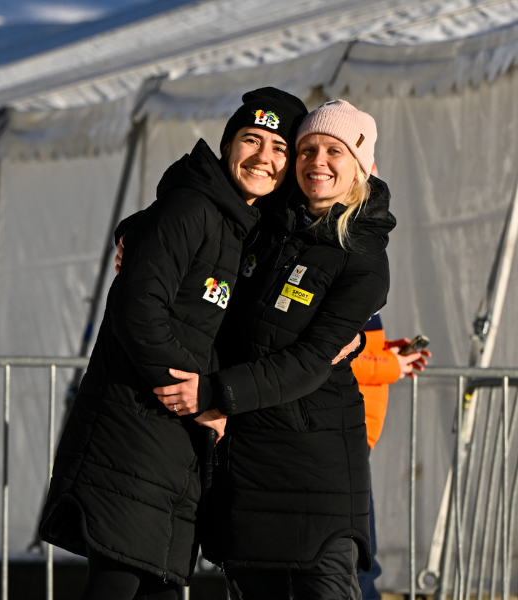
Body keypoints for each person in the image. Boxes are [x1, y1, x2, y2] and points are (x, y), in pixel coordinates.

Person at [38, 88, 307, 600]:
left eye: (279, 150)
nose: (264, 158)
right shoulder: (193, 211)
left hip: (170, 446)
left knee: (153, 583)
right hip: (133, 429)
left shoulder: (239, 226)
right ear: (228, 145)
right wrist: (198, 394)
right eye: (252, 140)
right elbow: (137, 309)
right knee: (119, 580)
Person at [153, 99, 396, 599]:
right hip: (247, 468)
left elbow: (309, 362)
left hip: (314, 471)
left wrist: (215, 392)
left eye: (334, 150)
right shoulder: (267, 226)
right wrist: (137, 231)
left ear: (361, 166)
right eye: (307, 149)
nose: (317, 162)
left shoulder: (362, 257)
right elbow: (200, 207)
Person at [351, 313, 429, 599]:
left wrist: (386, 352)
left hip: (354, 440)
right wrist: (388, 364)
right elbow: (326, 357)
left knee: (361, 557)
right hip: (340, 441)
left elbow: (352, 349)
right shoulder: (338, 272)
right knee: (358, 560)